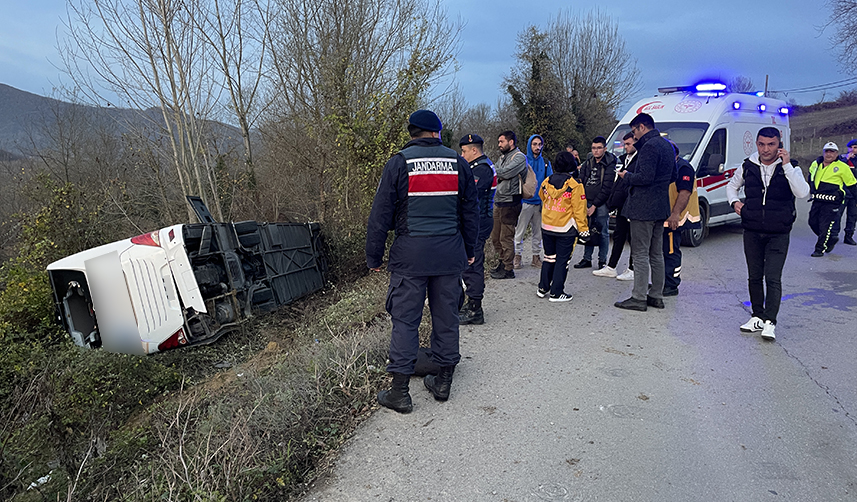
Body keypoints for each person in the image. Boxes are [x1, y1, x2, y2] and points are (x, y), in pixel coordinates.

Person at [366, 110, 479, 413]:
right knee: (447, 317)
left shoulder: (399, 162)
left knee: (405, 321)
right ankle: (442, 382)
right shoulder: (458, 162)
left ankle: (400, 393)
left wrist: (374, 256)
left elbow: (380, 215)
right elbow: (470, 212)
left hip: (410, 257)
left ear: (412, 133)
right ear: (437, 133)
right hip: (449, 254)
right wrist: (470, 250)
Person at [726, 127, 810, 341]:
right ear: (757, 144)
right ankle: (757, 316)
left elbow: (802, 192)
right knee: (754, 276)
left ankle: (770, 321)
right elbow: (731, 186)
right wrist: (735, 202)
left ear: (779, 144)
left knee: (772, 277)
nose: (766, 149)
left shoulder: (791, 168)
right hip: (752, 229)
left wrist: (787, 165)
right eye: (761, 144)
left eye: (771, 144)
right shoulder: (748, 166)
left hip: (778, 231)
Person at [614, 113, 674, 312]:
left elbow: (645, 177)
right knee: (656, 253)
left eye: (634, 131)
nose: (634, 135)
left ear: (641, 127)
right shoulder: (667, 145)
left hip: (643, 207)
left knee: (640, 253)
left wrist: (626, 176)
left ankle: (638, 297)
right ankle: (656, 295)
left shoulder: (649, 147)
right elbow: (673, 175)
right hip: (660, 206)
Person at [537, 152, 588, 301]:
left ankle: (543, 287)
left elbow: (542, 196)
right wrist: (584, 230)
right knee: (562, 261)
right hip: (565, 229)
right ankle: (556, 293)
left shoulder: (547, 181)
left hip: (547, 226)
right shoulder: (575, 185)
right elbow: (580, 210)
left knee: (549, 257)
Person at [459, 134, 497, 325]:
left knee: (472, 264)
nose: (462, 155)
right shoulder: (479, 166)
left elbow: (469, 196)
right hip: (478, 221)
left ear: (474, 150)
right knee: (469, 264)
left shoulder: (481, 170)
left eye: (464, 151)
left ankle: (475, 309)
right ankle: (470, 303)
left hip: (479, 222)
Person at [595, 131, 637, 280]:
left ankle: (632, 269)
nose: (625, 147)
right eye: (624, 144)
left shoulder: (639, 160)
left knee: (633, 238)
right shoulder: (624, 159)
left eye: (628, 144)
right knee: (619, 235)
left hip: (632, 205)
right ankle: (611, 267)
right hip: (621, 205)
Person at [662, 141, 700, 296]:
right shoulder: (671, 165)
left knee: (671, 251)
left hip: (676, 217)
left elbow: (684, 193)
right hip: (666, 216)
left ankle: (671, 284)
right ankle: (663, 280)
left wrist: (675, 214)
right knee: (664, 250)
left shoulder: (683, 168)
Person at [808, 142, 857, 256]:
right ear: (823, 152)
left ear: (837, 154)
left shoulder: (842, 166)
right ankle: (830, 239)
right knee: (812, 222)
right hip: (818, 199)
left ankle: (819, 249)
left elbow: (852, 185)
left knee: (825, 224)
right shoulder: (816, 163)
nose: (829, 154)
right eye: (827, 151)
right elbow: (810, 177)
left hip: (833, 201)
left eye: (832, 152)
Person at [490, 131, 528, 279]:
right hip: (499, 200)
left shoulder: (519, 157)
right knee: (495, 237)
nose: (499, 144)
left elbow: (504, 173)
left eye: (501, 141)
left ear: (511, 142)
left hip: (511, 202)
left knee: (506, 237)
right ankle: (502, 262)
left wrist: (495, 171)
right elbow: (498, 171)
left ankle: (508, 268)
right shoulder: (502, 157)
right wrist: (496, 171)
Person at [575, 136, 616, 270]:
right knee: (588, 230)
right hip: (586, 200)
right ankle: (587, 258)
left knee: (603, 231)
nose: (596, 151)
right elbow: (581, 179)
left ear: (604, 148)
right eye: (594, 148)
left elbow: (607, 188)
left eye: (599, 148)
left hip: (601, 202)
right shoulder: (588, 162)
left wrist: (594, 205)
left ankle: (602, 261)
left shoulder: (610, 164)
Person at [513, 135, 552, 269]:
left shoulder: (546, 163)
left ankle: (536, 257)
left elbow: (550, 182)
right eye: (534, 144)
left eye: (540, 144)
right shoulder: (522, 161)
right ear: (530, 145)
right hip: (524, 202)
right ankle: (517, 256)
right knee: (520, 231)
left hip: (540, 203)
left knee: (538, 233)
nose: (537, 147)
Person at [840, 139, 857, 245]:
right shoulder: (842, 158)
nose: (852, 150)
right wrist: (846, 159)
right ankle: (832, 236)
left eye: (855, 148)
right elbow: (837, 169)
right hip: (843, 191)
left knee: (852, 216)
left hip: (854, 193)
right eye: (851, 147)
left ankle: (849, 236)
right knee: (837, 215)